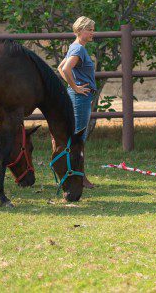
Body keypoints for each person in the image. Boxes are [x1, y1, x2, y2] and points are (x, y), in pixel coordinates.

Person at [58, 16, 97, 188]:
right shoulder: (78, 49)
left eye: (92, 29)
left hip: (80, 97)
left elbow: (60, 68)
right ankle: (80, 177)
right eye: (89, 29)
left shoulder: (75, 47)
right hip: (80, 98)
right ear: (80, 31)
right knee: (78, 139)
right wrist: (75, 88)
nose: (92, 33)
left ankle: (75, 174)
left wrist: (73, 86)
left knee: (76, 137)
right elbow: (65, 69)